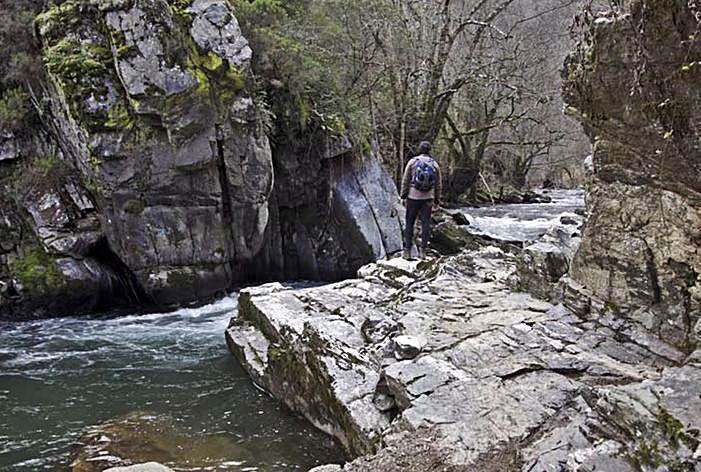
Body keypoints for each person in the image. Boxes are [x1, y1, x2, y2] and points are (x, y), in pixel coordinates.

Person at [399, 141, 442, 260]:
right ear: (429, 151)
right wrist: (437, 200)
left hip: (412, 197)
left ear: (419, 149)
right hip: (428, 198)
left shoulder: (412, 162)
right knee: (425, 224)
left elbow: (406, 180)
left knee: (409, 223)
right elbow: (438, 185)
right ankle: (423, 252)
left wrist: (403, 196)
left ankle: (407, 251)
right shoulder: (435, 165)